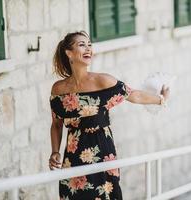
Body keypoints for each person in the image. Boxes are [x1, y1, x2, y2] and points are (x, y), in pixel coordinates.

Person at [49, 31, 170, 200]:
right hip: (73, 154)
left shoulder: (103, 81)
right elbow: (56, 124)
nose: (88, 48)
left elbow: (134, 95)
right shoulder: (58, 89)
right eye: (82, 44)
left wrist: (161, 99)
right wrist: (55, 151)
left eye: (90, 44)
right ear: (68, 53)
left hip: (102, 150)